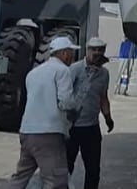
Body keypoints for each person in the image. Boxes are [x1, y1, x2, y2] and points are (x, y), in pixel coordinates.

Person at [9, 36, 82, 189]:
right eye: (70, 52)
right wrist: (75, 110)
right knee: (55, 180)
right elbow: (66, 101)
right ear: (64, 54)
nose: (72, 57)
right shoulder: (62, 70)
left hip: (27, 132)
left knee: (20, 177)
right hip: (48, 133)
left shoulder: (34, 73)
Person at [66, 37, 115, 189]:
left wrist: (108, 117)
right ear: (87, 50)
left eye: (100, 49)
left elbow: (103, 97)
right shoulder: (75, 69)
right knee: (66, 167)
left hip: (91, 127)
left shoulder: (104, 74)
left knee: (93, 170)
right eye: (93, 49)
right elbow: (64, 95)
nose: (97, 52)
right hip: (72, 127)